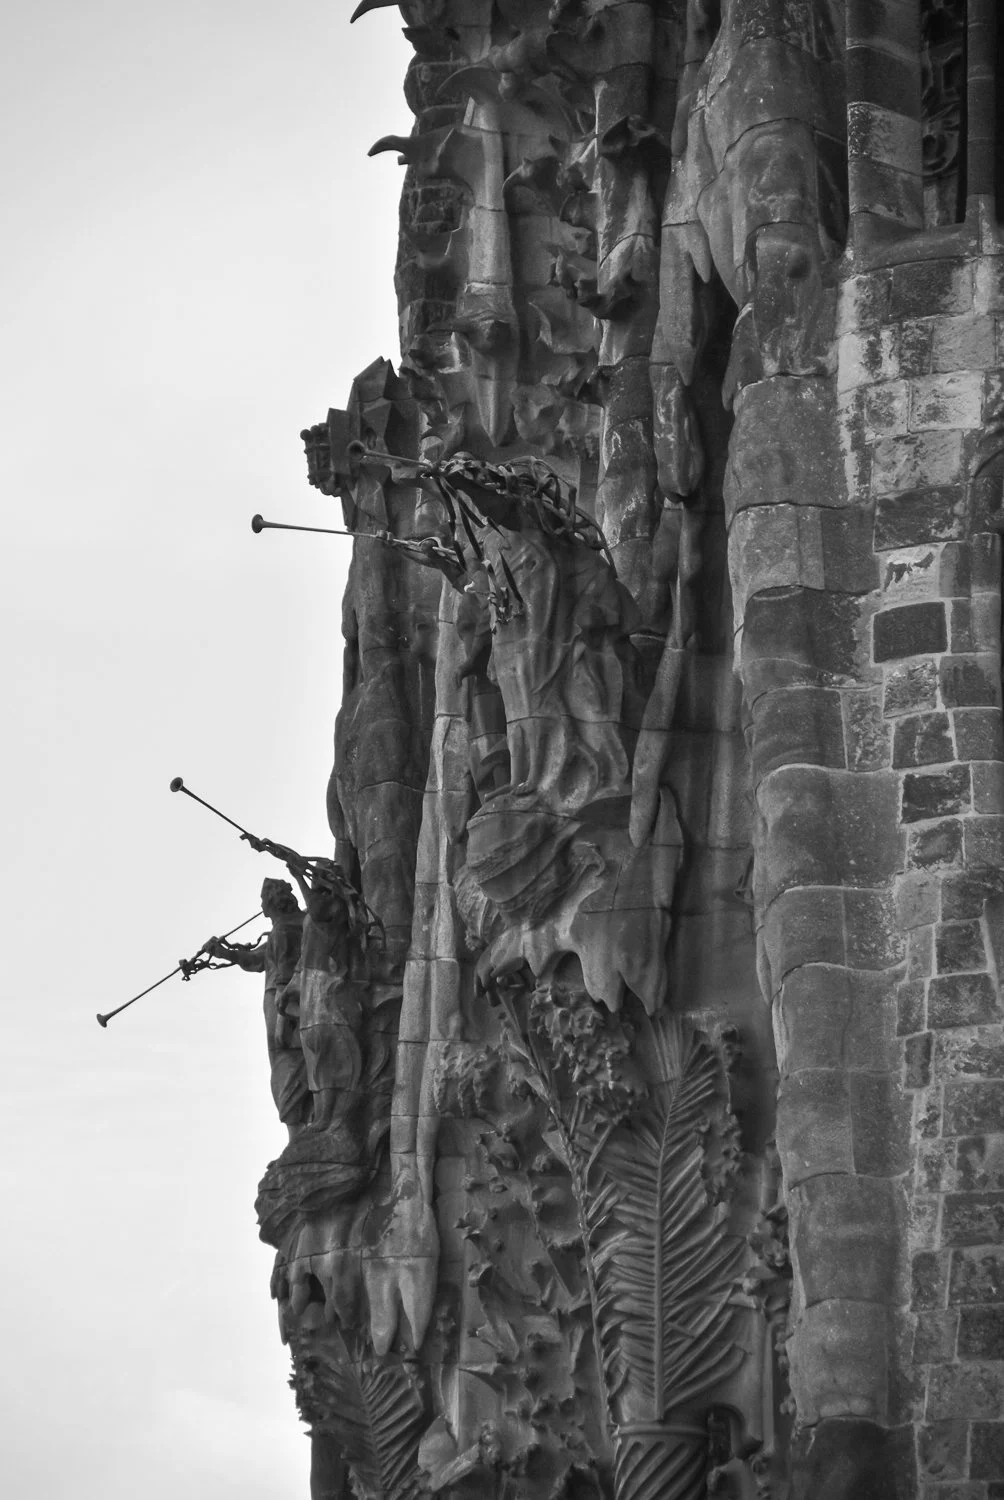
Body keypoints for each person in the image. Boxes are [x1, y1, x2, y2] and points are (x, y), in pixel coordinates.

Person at [206, 878, 309, 1137]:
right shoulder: (292, 927)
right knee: (292, 1062)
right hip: (286, 999)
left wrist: (284, 1018)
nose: (261, 906)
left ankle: (296, 1136)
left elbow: (282, 974)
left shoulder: (285, 931)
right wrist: (224, 953)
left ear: (272, 903)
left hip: (281, 1001)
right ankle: (300, 1132)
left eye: (264, 900)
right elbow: (256, 958)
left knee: (285, 1062)